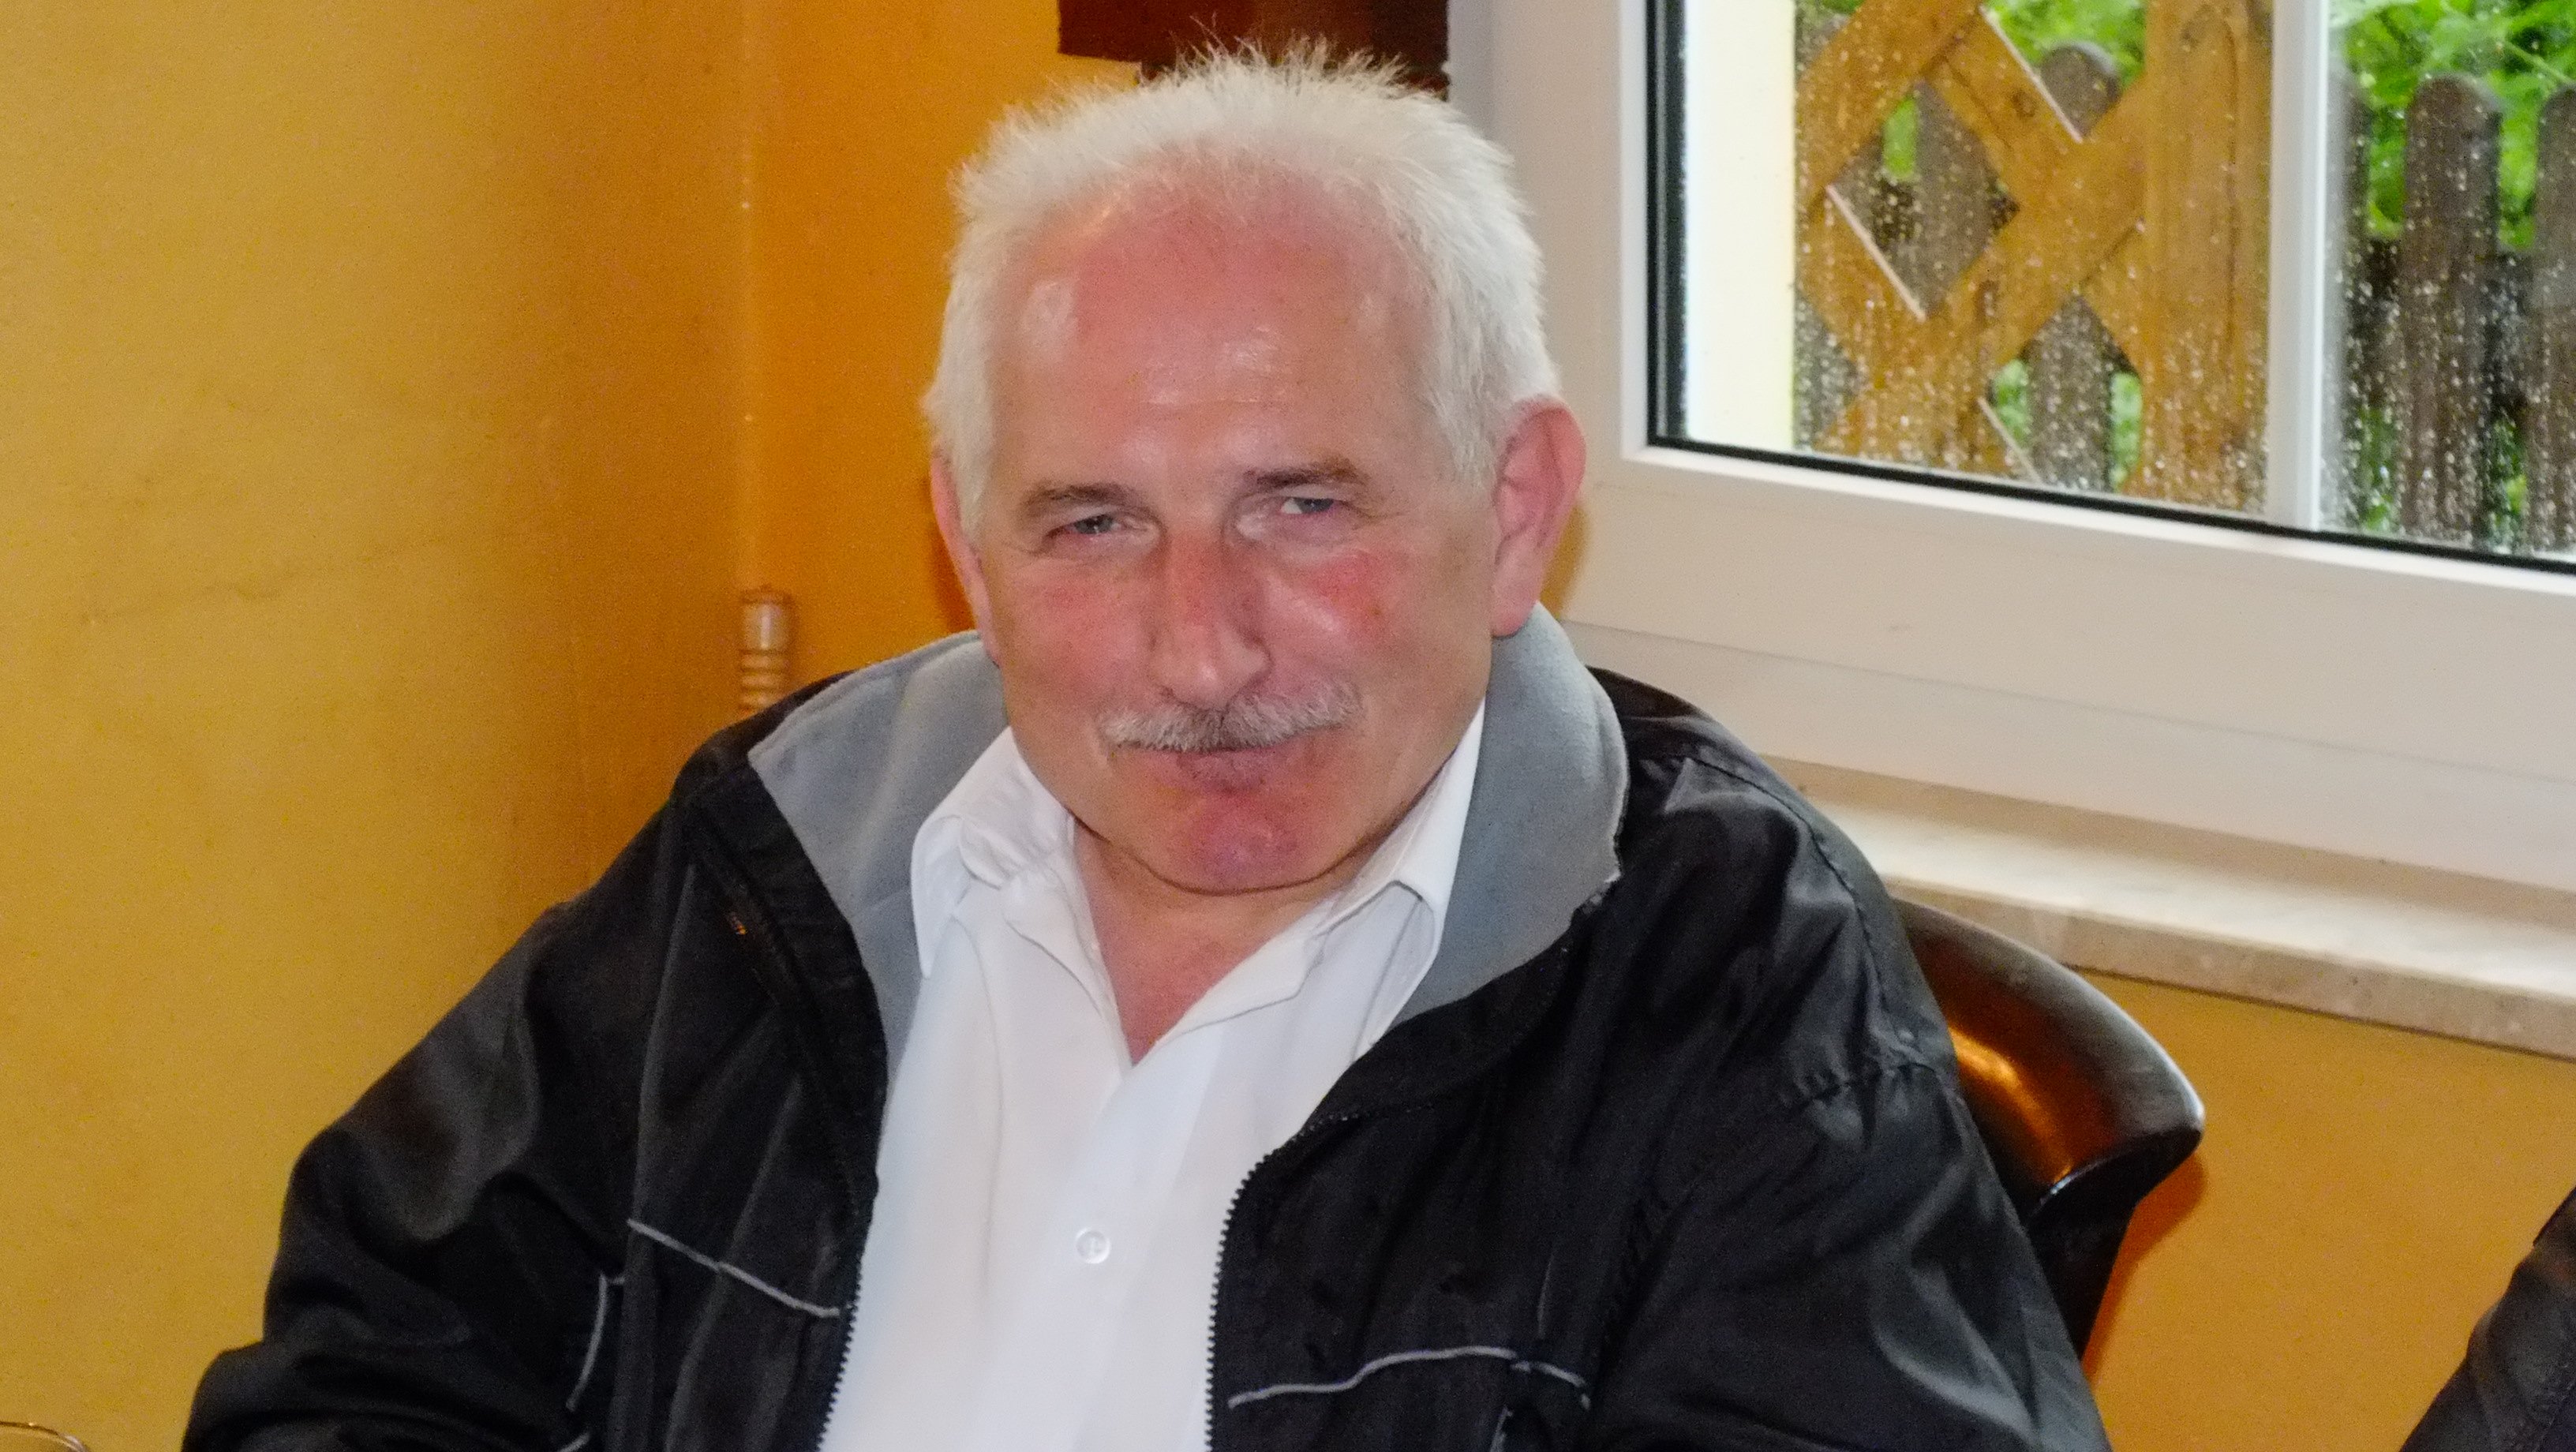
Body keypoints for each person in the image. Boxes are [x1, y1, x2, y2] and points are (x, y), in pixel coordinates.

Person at [186, 52, 2108, 1452]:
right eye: (1093, 523)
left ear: (1515, 508)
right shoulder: (788, 861)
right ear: (965, 545)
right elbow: (369, 1362)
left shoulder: (1733, 984)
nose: (1201, 650)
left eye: (1303, 506)